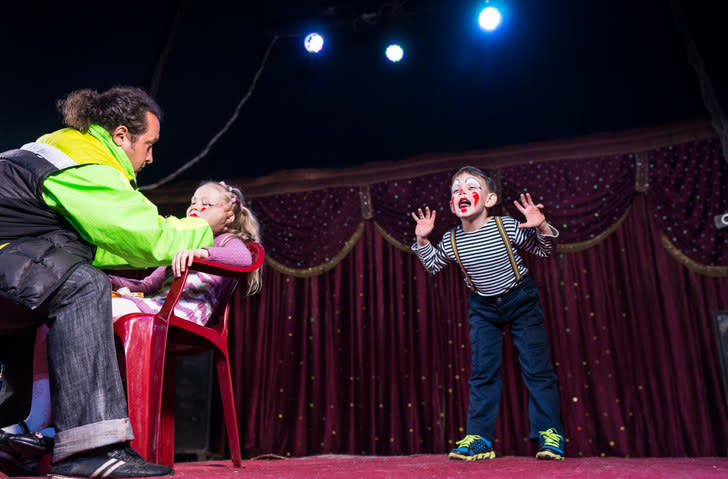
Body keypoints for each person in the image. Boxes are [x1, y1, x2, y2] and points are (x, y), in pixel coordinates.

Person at [0, 86, 215, 478]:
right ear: (120, 136)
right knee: (83, 285)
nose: (150, 157)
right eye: (148, 144)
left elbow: (100, 246)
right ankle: (89, 450)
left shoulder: (63, 151)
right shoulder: (84, 165)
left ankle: (8, 433)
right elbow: (147, 237)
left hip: (11, 252)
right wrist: (203, 229)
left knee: (61, 280)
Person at [1, 181, 262, 465]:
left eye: (206, 204)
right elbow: (147, 285)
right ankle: (37, 421)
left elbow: (243, 257)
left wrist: (202, 252)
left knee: (86, 311)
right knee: (52, 318)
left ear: (230, 214)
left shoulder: (226, 242)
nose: (195, 207)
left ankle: (77, 429)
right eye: (192, 202)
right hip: (153, 306)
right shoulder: (183, 242)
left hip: (183, 313)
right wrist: (103, 279)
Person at [410, 166, 565, 461]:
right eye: (456, 191)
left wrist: (542, 225)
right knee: (482, 373)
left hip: (521, 301)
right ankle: (480, 439)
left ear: (490, 199)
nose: (462, 193)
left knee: (537, 369)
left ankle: (550, 435)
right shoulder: (452, 240)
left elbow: (545, 251)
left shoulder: (506, 226)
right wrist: (422, 240)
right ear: (452, 205)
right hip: (483, 308)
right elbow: (432, 265)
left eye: (470, 187)